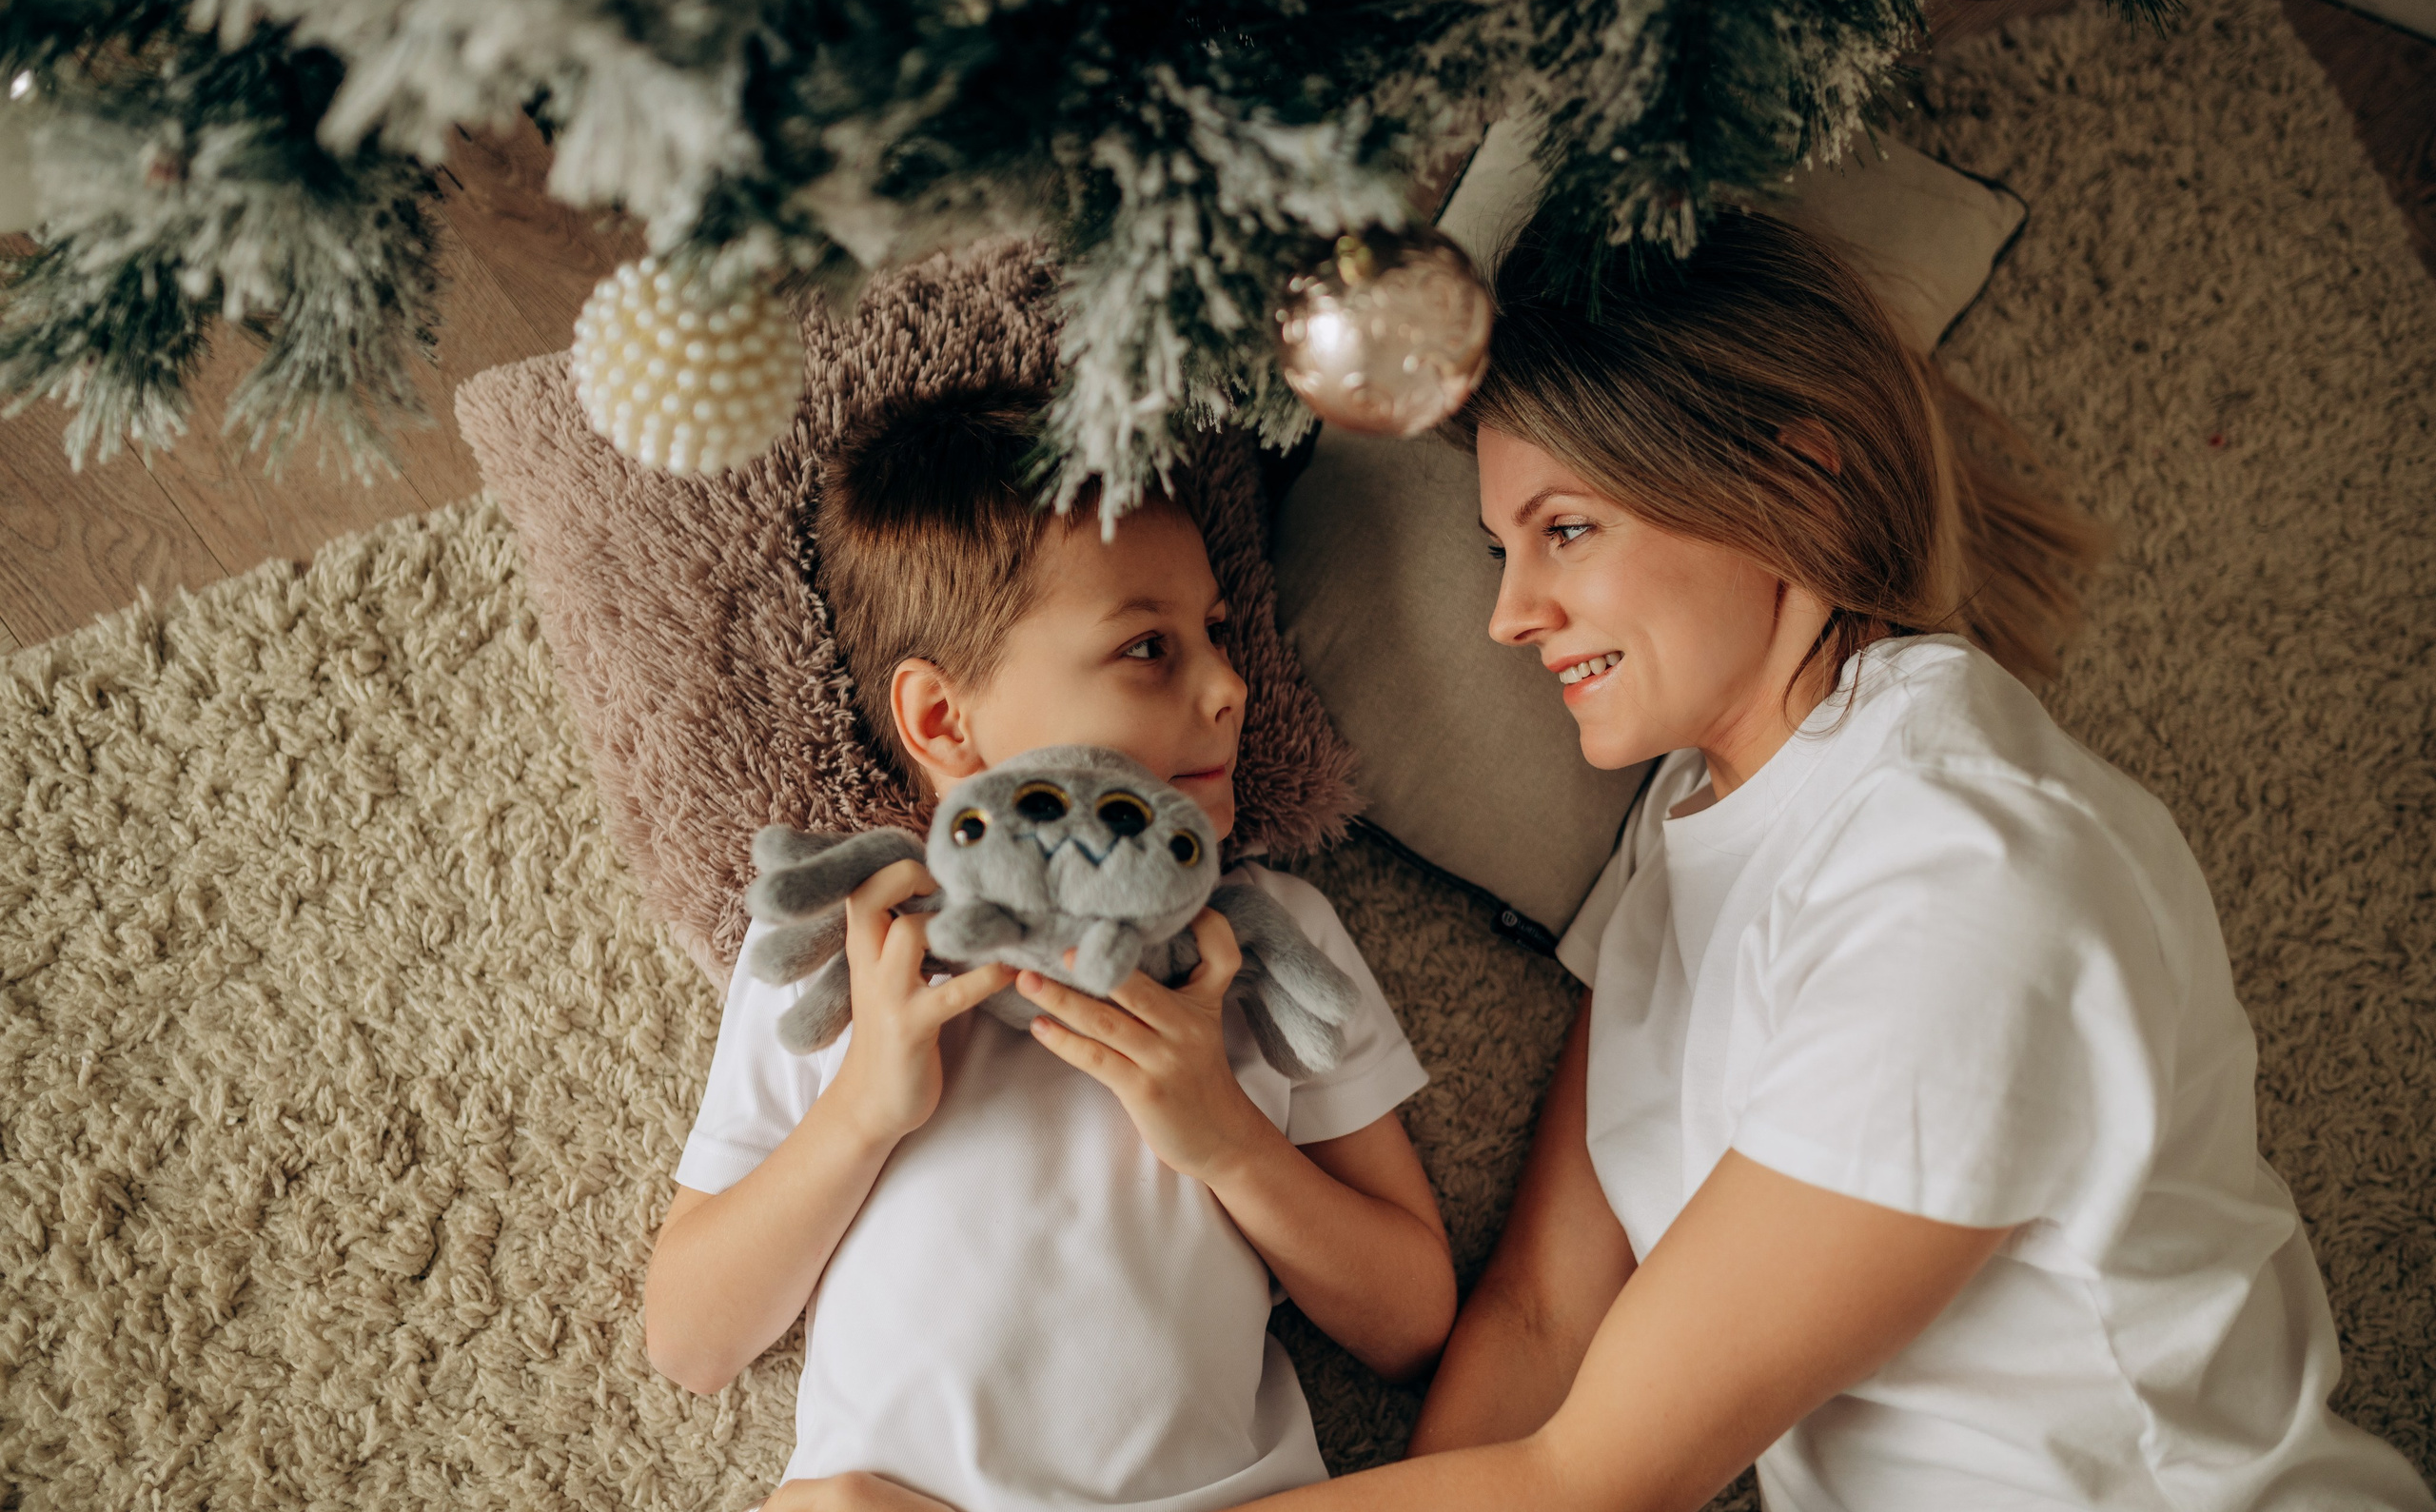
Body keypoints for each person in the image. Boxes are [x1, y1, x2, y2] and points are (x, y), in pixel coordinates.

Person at [764, 206, 2436, 1512]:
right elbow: (1539, 1328)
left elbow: (1595, 1475)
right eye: (1504, 545)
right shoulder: (1689, 834)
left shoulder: (1963, 876)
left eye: (1567, 530)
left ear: (1791, 469)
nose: (1511, 613)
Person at [640, 388, 1455, 1512]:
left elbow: (1412, 1324)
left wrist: (1226, 1137)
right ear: (942, 721)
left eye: (1216, 633)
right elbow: (690, 1340)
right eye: (1147, 647)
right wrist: (863, 1108)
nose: (1229, 687)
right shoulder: (853, 942)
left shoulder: (1263, 940)